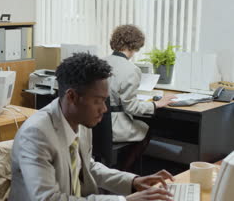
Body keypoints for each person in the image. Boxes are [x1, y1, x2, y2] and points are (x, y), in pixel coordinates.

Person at [9, 52, 174, 201]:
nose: (104, 109)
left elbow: (88, 166)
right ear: (72, 97)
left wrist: (133, 181)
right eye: (98, 101)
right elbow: (47, 198)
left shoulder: (80, 121)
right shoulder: (36, 134)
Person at [104, 25, 175, 171]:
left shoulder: (100, 62)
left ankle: (113, 170)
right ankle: (125, 171)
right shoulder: (131, 69)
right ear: (134, 45)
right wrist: (156, 104)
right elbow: (132, 107)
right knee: (146, 129)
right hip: (113, 125)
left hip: (96, 124)